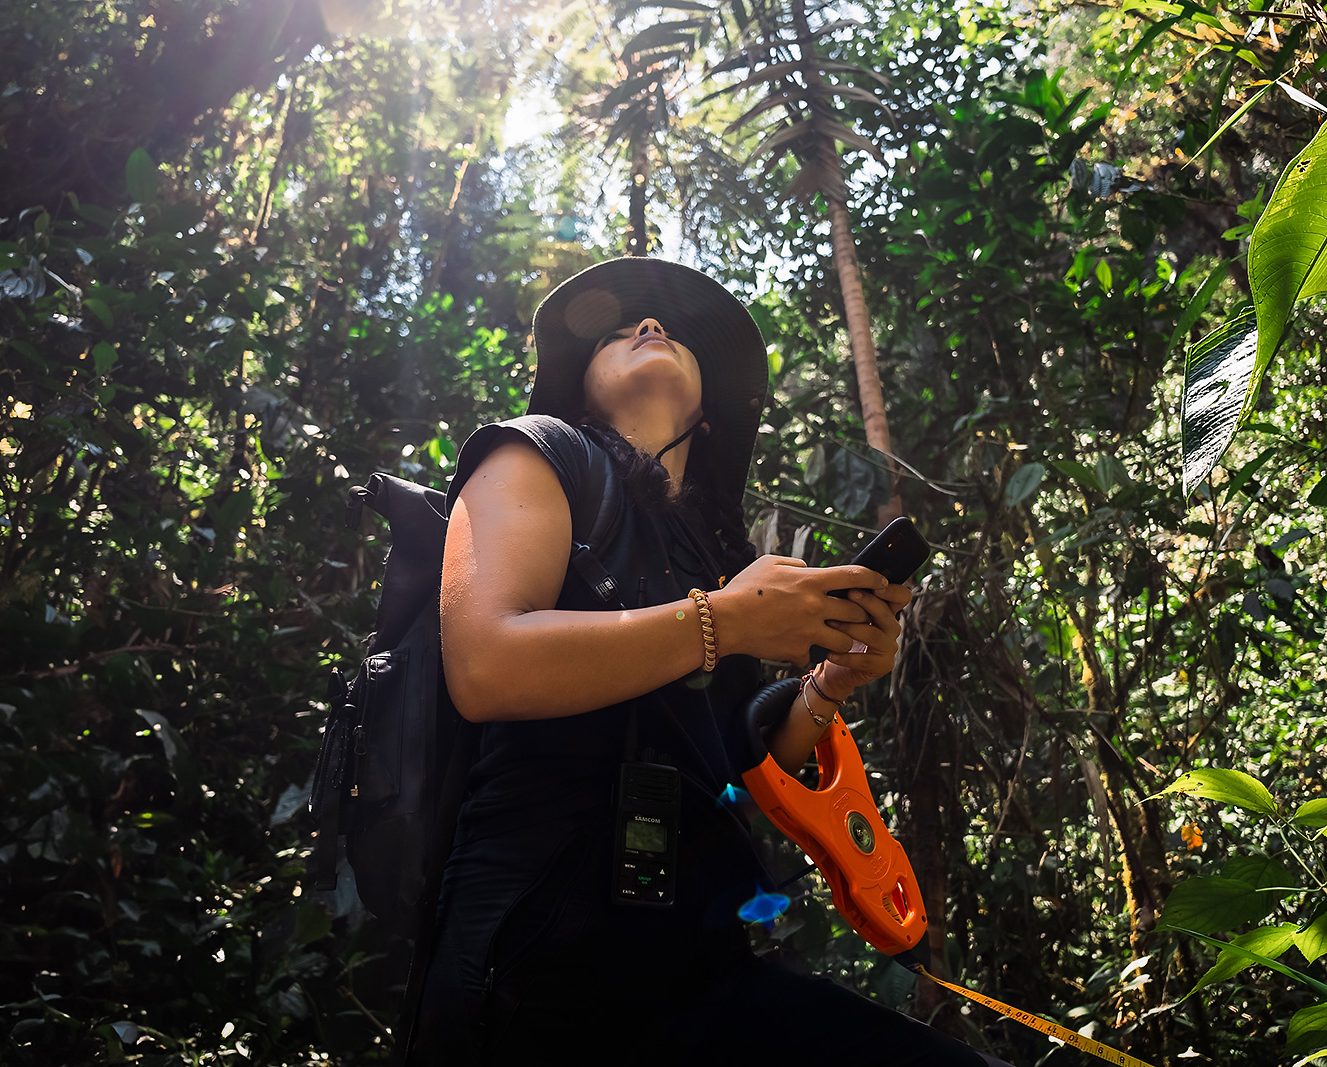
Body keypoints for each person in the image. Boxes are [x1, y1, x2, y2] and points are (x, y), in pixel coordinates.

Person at [412, 258, 1003, 1065]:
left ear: (711, 417)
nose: (650, 327)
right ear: (580, 388)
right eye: (621, 330)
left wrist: (828, 682)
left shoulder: (721, 554)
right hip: (536, 944)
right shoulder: (536, 454)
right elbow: (485, 664)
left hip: (704, 952)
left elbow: (742, 752)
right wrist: (723, 619)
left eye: (669, 330)